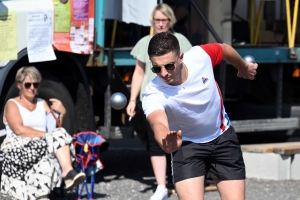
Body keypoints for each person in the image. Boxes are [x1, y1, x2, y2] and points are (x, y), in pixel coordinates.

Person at [142, 32, 258, 200]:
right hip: (187, 147)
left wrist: (243, 67)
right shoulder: (153, 92)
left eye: (169, 66)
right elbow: (157, 122)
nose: (163, 73)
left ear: (181, 57)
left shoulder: (200, 56)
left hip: (222, 137)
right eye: (156, 68)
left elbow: (224, 49)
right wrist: (165, 141)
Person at [126, 3, 192, 200]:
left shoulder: (181, 41)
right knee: (157, 142)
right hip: (153, 99)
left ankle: (185, 181)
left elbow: (190, 67)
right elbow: (138, 72)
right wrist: (131, 99)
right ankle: (161, 186)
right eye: (157, 20)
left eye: (164, 20)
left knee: (183, 139)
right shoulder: (145, 42)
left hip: (177, 97)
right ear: (152, 22)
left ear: (170, 21)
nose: (161, 24)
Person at [0, 66, 86, 200]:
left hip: (39, 147)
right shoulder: (12, 104)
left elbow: (55, 131)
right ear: (19, 85)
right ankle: (68, 173)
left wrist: (63, 113)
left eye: (35, 84)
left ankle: (66, 173)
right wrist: (46, 135)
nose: (32, 88)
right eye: (28, 84)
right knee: (54, 142)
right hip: (17, 148)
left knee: (46, 164)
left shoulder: (42, 103)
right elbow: (19, 130)